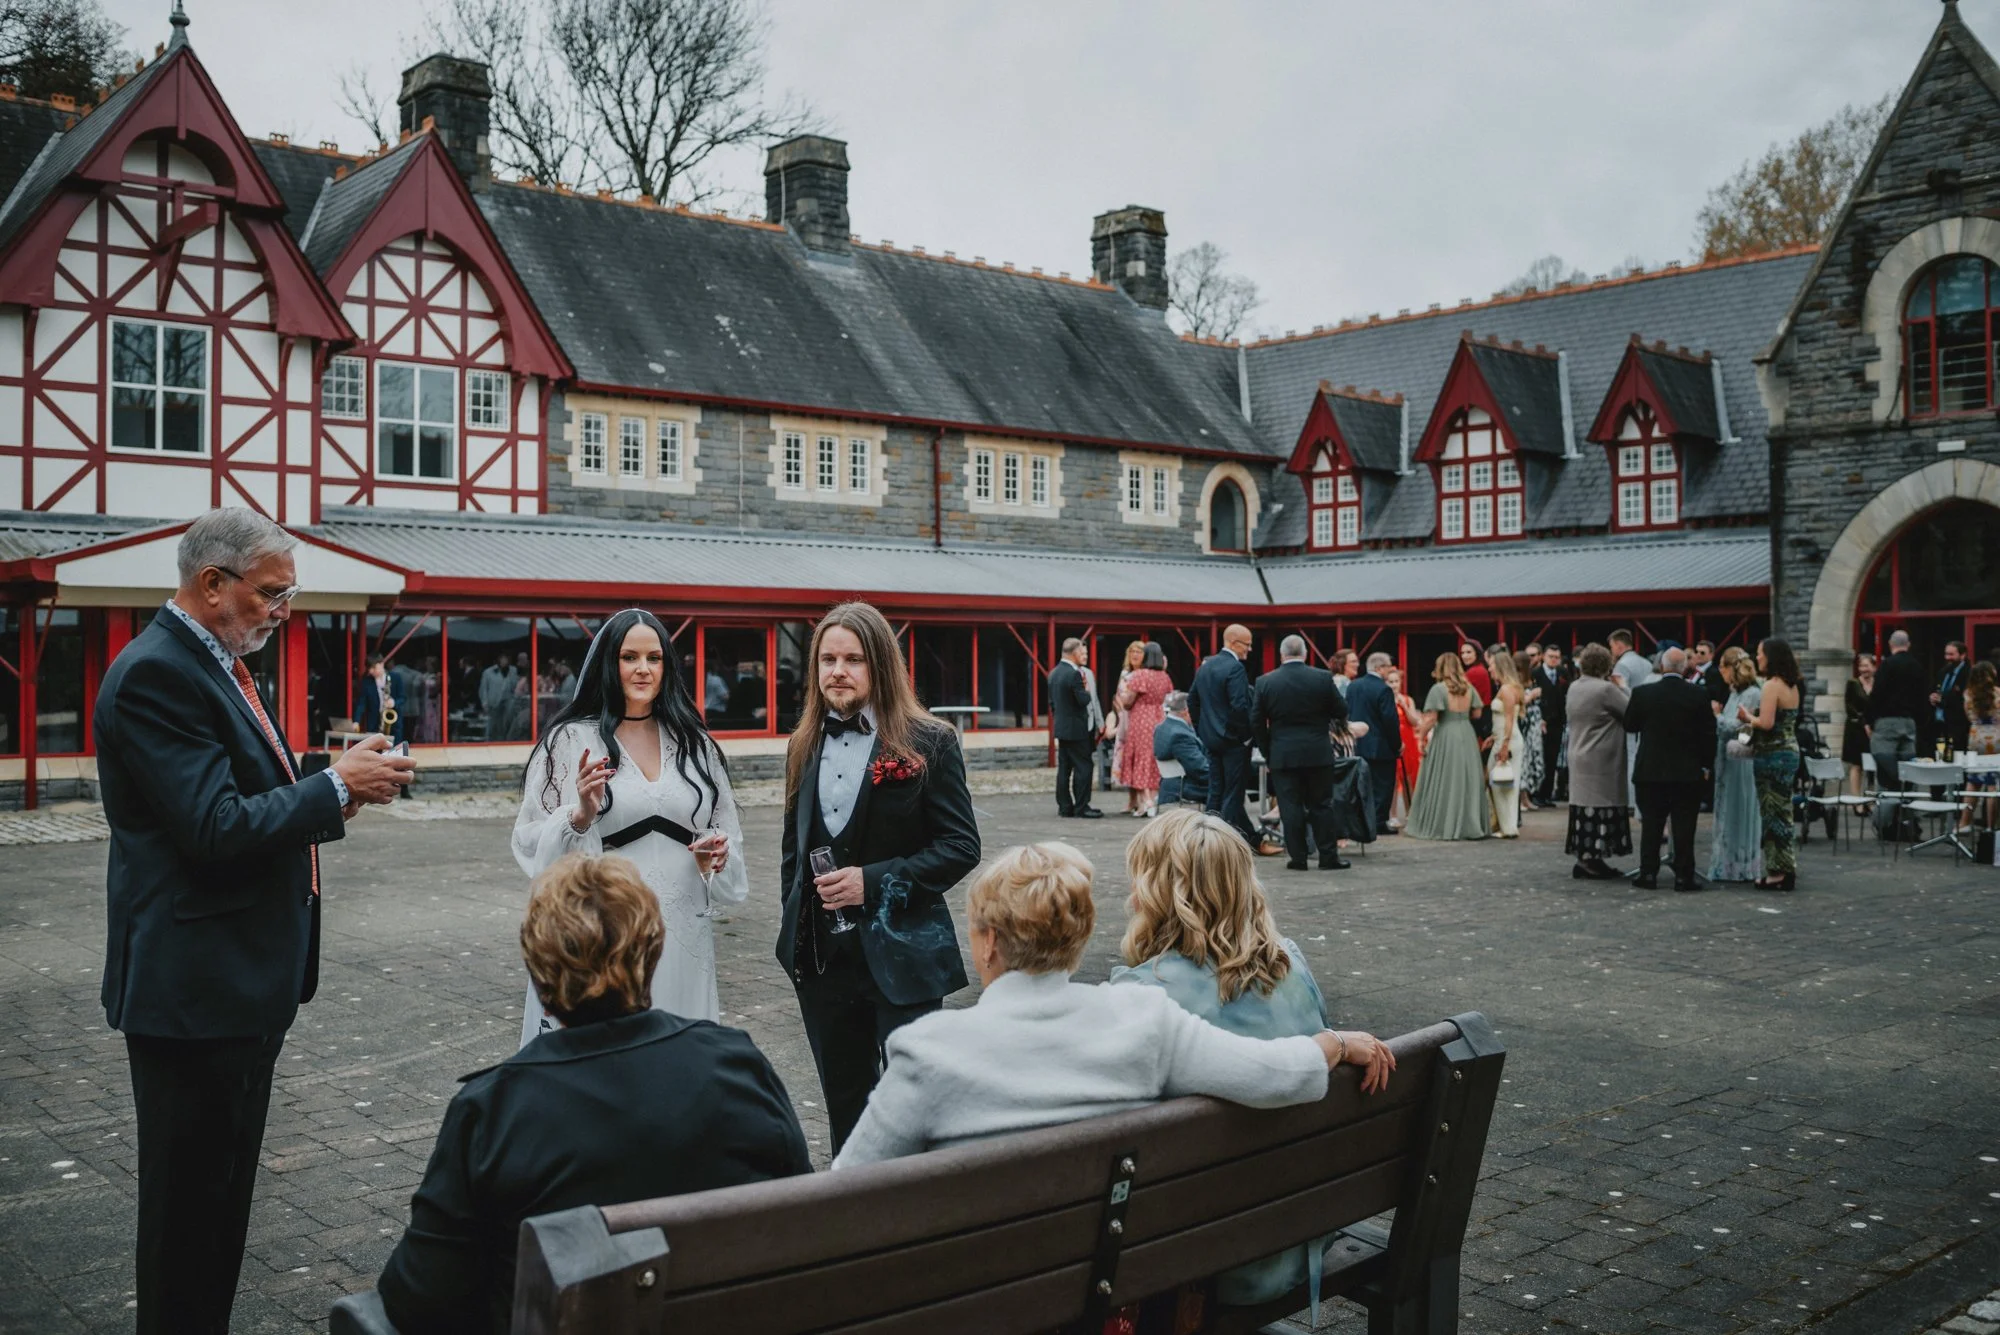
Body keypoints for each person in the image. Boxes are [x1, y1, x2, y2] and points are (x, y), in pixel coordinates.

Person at [95, 508, 414, 1335]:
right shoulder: (158, 674)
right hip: (194, 994)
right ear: (212, 585)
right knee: (187, 1226)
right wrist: (335, 786)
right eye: (273, 593)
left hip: (233, 990)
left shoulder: (216, 661)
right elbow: (213, 827)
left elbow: (241, 791)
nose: (283, 610)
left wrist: (338, 774)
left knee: (219, 1214)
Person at [376, 854, 810, 1334]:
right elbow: (798, 1221)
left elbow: (418, 1298)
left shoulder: (491, 1109)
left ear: (540, 971)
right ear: (653, 949)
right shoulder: (736, 1063)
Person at [834, 841, 1392, 1168]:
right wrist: (1336, 1043)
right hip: (1103, 1290)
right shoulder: (1143, 1019)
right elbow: (1273, 1074)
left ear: (986, 943)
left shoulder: (925, 1050)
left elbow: (845, 1190)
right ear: (1080, 940)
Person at [1111, 808, 1394, 1306]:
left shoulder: (1140, 994)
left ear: (1156, 891)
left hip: (1208, 1262)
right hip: (1298, 1234)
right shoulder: (1292, 965)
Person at [778, 601, 982, 1152]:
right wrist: (793, 929)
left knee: (910, 1107)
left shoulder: (929, 741)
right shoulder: (803, 744)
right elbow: (793, 854)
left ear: (881, 666)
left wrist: (873, 882)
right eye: (827, 659)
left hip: (904, 955)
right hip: (822, 962)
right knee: (845, 1106)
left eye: (853, 659)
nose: (837, 671)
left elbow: (961, 846)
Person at [511, 608, 742, 1043]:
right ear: (609, 664)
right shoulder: (570, 740)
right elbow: (529, 843)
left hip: (684, 923)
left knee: (679, 1044)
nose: (642, 669)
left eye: (654, 658)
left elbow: (725, 829)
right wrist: (578, 816)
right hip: (607, 927)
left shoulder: (695, 744)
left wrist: (718, 851)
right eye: (629, 657)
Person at [1251, 634, 1352, 871]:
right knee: (1322, 805)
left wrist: (1268, 751)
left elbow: (1256, 722)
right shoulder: (1322, 678)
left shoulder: (1265, 682)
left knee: (1290, 806)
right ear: (1305, 654)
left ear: (1281, 654)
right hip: (1317, 752)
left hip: (1283, 753)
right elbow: (1341, 710)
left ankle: (1298, 858)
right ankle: (1328, 857)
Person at [1623, 647, 1713, 892]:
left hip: (1650, 769)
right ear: (1685, 668)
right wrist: (1706, 765)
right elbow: (1708, 734)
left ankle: (1648, 873)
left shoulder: (1643, 693)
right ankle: (1684, 876)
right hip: (1687, 771)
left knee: (1652, 825)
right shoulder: (1698, 695)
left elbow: (1630, 725)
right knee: (1685, 826)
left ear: (1662, 667)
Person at [1739, 638, 1804, 891]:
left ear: (1771, 656)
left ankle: (1778, 872)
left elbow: (1766, 723)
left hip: (1772, 755)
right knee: (1784, 811)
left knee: (1771, 814)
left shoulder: (1771, 686)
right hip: (1790, 751)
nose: (1758, 658)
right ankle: (1786, 866)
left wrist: (1746, 717)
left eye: (1760, 654)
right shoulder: (1792, 685)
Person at [1564, 644, 1632, 880]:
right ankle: (1591, 861)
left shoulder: (1574, 687)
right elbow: (1631, 711)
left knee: (1584, 807)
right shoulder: (1605, 690)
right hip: (1601, 757)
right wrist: (1623, 687)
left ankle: (1587, 857)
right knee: (1601, 807)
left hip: (1578, 752)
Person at [1406, 652, 1490, 841]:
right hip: (1466, 733)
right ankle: (1470, 824)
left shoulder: (1439, 689)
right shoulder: (1469, 688)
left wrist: (1420, 735)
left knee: (1445, 777)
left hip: (1446, 733)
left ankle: (1446, 822)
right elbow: (1477, 713)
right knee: (1467, 778)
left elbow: (1433, 717)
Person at [1190, 623, 1258, 843]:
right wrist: (1245, 736)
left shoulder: (1205, 666)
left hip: (1211, 739)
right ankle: (1224, 842)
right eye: (1246, 645)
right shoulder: (1235, 668)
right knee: (1233, 793)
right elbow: (1239, 706)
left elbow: (1192, 701)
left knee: (1216, 790)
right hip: (1233, 742)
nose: (1249, 649)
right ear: (1232, 642)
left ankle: (1205, 837)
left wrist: (1202, 729)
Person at [1709, 650, 1764, 884]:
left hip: (1741, 760)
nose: (1720, 672)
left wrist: (1717, 717)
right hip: (1727, 758)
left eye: (1722, 667)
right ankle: (1726, 863)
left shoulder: (1752, 694)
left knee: (1739, 808)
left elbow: (1741, 728)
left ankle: (1741, 865)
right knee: (1727, 807)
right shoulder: (1735, 693)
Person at [1868, 630, 1927, 818]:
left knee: (1885, 767)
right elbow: (1922, 698)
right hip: (1909, 722)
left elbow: (1877, 694)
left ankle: (1885, 820)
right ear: (1908, 644)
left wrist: (1868, 719)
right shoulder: (1917, 666)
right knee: (1908, 767)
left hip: (1887, 722)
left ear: (1890, 644)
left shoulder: (1887, 665)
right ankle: (1909, 818)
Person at [1115, 643, 1175, 818]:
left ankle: (1145, 801)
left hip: (1141, 718)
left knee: (1140, 758)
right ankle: (1155, 798)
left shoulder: (1140, 675)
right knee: (1154, 759)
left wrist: (1122, 697)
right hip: (1159, 717)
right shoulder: (1165, 677)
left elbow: (1128, 702)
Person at [1345, 652, 1401, 835]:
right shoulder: (1383, 689)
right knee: (1383, 786)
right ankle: (1378, 822)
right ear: (1379, 668)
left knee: (1361, 785)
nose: (1389, 671)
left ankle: (1360, 821)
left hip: (1357, 744)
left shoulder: (1353, 686)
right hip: (1381, 746)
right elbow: (1390, 720)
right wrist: (1396, 745)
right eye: (1387, 668)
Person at [1049, 638, 1102, 819]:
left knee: (1064, 769)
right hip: (1077, 729)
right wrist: (1086, 691)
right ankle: (1082, 806)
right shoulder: (1074, 674)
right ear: (1073, 653)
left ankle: (1064, 807)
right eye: (1082, 653)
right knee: (1083, 767)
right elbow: (1083, 700)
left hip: (1062, 728)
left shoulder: (1054, 673)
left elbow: (1052, 703)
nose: (1084, 656)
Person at [1485, 645, 1526, 838]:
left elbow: (1509, 719)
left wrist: (1503, 745)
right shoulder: (1512, 688)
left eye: (1492, 665)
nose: (1490, 669)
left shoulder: (1506, 690)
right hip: (1503, 737)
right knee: (1506, 781)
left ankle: (1507, 826)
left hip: (1507, 739)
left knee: (1503, 782)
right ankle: (1506, 825)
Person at [1610, 629, 1652, 807]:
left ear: (1619, 646)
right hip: (1649, 716)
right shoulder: (1646, 663)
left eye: (1611, 646)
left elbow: (1620, 692)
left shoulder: (1621, 666)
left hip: (1630, 717)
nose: (1611, 650)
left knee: (1630, 758)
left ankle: (1631, 801)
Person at [1958, 661, 2000, 831]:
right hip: (1996, 738)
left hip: (1976, 738)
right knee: (1993, 784)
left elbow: (1968, 717)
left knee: (1973, 782)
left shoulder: (1968, 694)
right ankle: (1991, 826)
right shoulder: (1998, 693)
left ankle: (1964, 823)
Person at [1153, 691, 1209, 807]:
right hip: (1183, 786)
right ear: (1185, 711)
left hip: (1168, 784)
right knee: (1226, 788)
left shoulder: (1160, 728)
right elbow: (1199, 769)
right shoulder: (1180, 734)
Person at [1386, 665, 1424, 826]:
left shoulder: (1407, 700)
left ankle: (1410, 812)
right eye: (1391, 682)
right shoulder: (1385, 700)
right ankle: (1392, 814)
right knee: (1393, 779)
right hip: (1393, 740)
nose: (1394, 685)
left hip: (1408, 741)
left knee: (1409, 777)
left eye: (1396, 681)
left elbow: (1416, 721)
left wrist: (1405, 706)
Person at [1533, 644, 1569, 807]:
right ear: (1543, 657)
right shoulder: (1536, 674)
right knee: (1540, 756)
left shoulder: (1563, 673)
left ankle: (1546, 794)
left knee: (1553, 758)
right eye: (1550, 657)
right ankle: (1537, 793)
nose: (1554, 660)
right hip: (1541, 721)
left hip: (1557, 722)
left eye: (1556, 657)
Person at [1515, 647, 1547, 810]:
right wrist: (1532, 695)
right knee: (1524, 760)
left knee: (1532, 760)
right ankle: (1522, 798)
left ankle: (1526, 796)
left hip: (1534, 720)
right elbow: (1519, 701)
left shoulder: (1530, 679)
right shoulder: (1516, 681)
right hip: (1525, 724)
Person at [1843, 652, 1876, 798]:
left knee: (1872, 766)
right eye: (1861, 666)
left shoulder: (1878, 684)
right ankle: (1856, 799)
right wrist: (1864, 723)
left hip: (1874, 730)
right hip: (1856, 729)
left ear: (1874, 667)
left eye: (1866, 666)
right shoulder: (1853, 683)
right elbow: (1850, 707)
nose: (1863, 669)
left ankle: (1870, 798)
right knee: (1857, 764)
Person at [1935, 640, 1970, 756]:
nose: (1948, 657)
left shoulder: (1968, 673)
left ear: (1962, 655)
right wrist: (1933, 696)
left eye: (1951, 654)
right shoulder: (1943, 672)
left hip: (1958, 724)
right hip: (1941, 722)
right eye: (1946, 654)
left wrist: (1944, 700)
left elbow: (1963, 698)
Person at [1459, 640, 1494, 752]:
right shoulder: (1479, 669)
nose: (1464, 656)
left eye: (1468, 652)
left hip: (1478, 718)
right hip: (1483, 715)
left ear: (1477, 653)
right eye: (1462, 653)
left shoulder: (1475, 672)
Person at [357, 652, 394, 735]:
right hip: (373, 724)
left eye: (374, 668)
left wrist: (393, 702)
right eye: (369, 668)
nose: (371, 671)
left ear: (382, 664)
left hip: (393, 725)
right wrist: (356, 721)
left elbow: (403, 698)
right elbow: (361, 703)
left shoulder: (395, 678)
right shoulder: (366, 681)